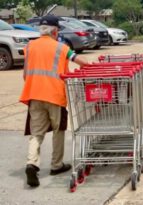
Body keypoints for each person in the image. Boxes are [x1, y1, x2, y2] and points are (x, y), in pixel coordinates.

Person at [19, 15, 88, 187]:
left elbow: (25, 74)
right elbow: (79, 61)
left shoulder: (29, 46)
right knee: (58, 129)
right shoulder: (62, 48)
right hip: (55, 95)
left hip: (34, 94)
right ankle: (56, 165)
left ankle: (32, 163)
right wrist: (94, 67)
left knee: (36, 133)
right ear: (55, 31)